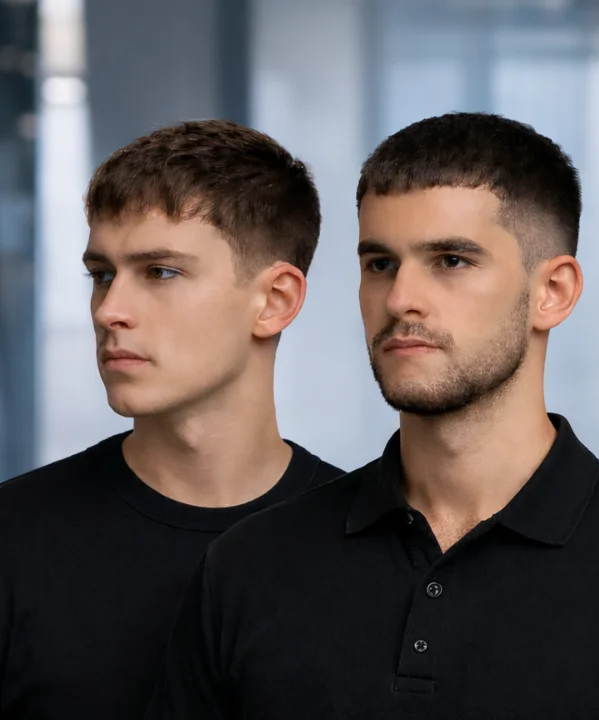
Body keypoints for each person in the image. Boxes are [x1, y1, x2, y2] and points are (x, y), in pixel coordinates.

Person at [145, 112, 599, 720]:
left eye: (451, 261)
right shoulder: (248, 568)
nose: (401, 298)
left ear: (553, 292)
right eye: (380, 263)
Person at [0, 119, 344, 720]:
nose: (109, 310)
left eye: (160, 272)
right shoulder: (12, 538)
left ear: (275, 300)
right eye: (102, 275)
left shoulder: (374, 547)